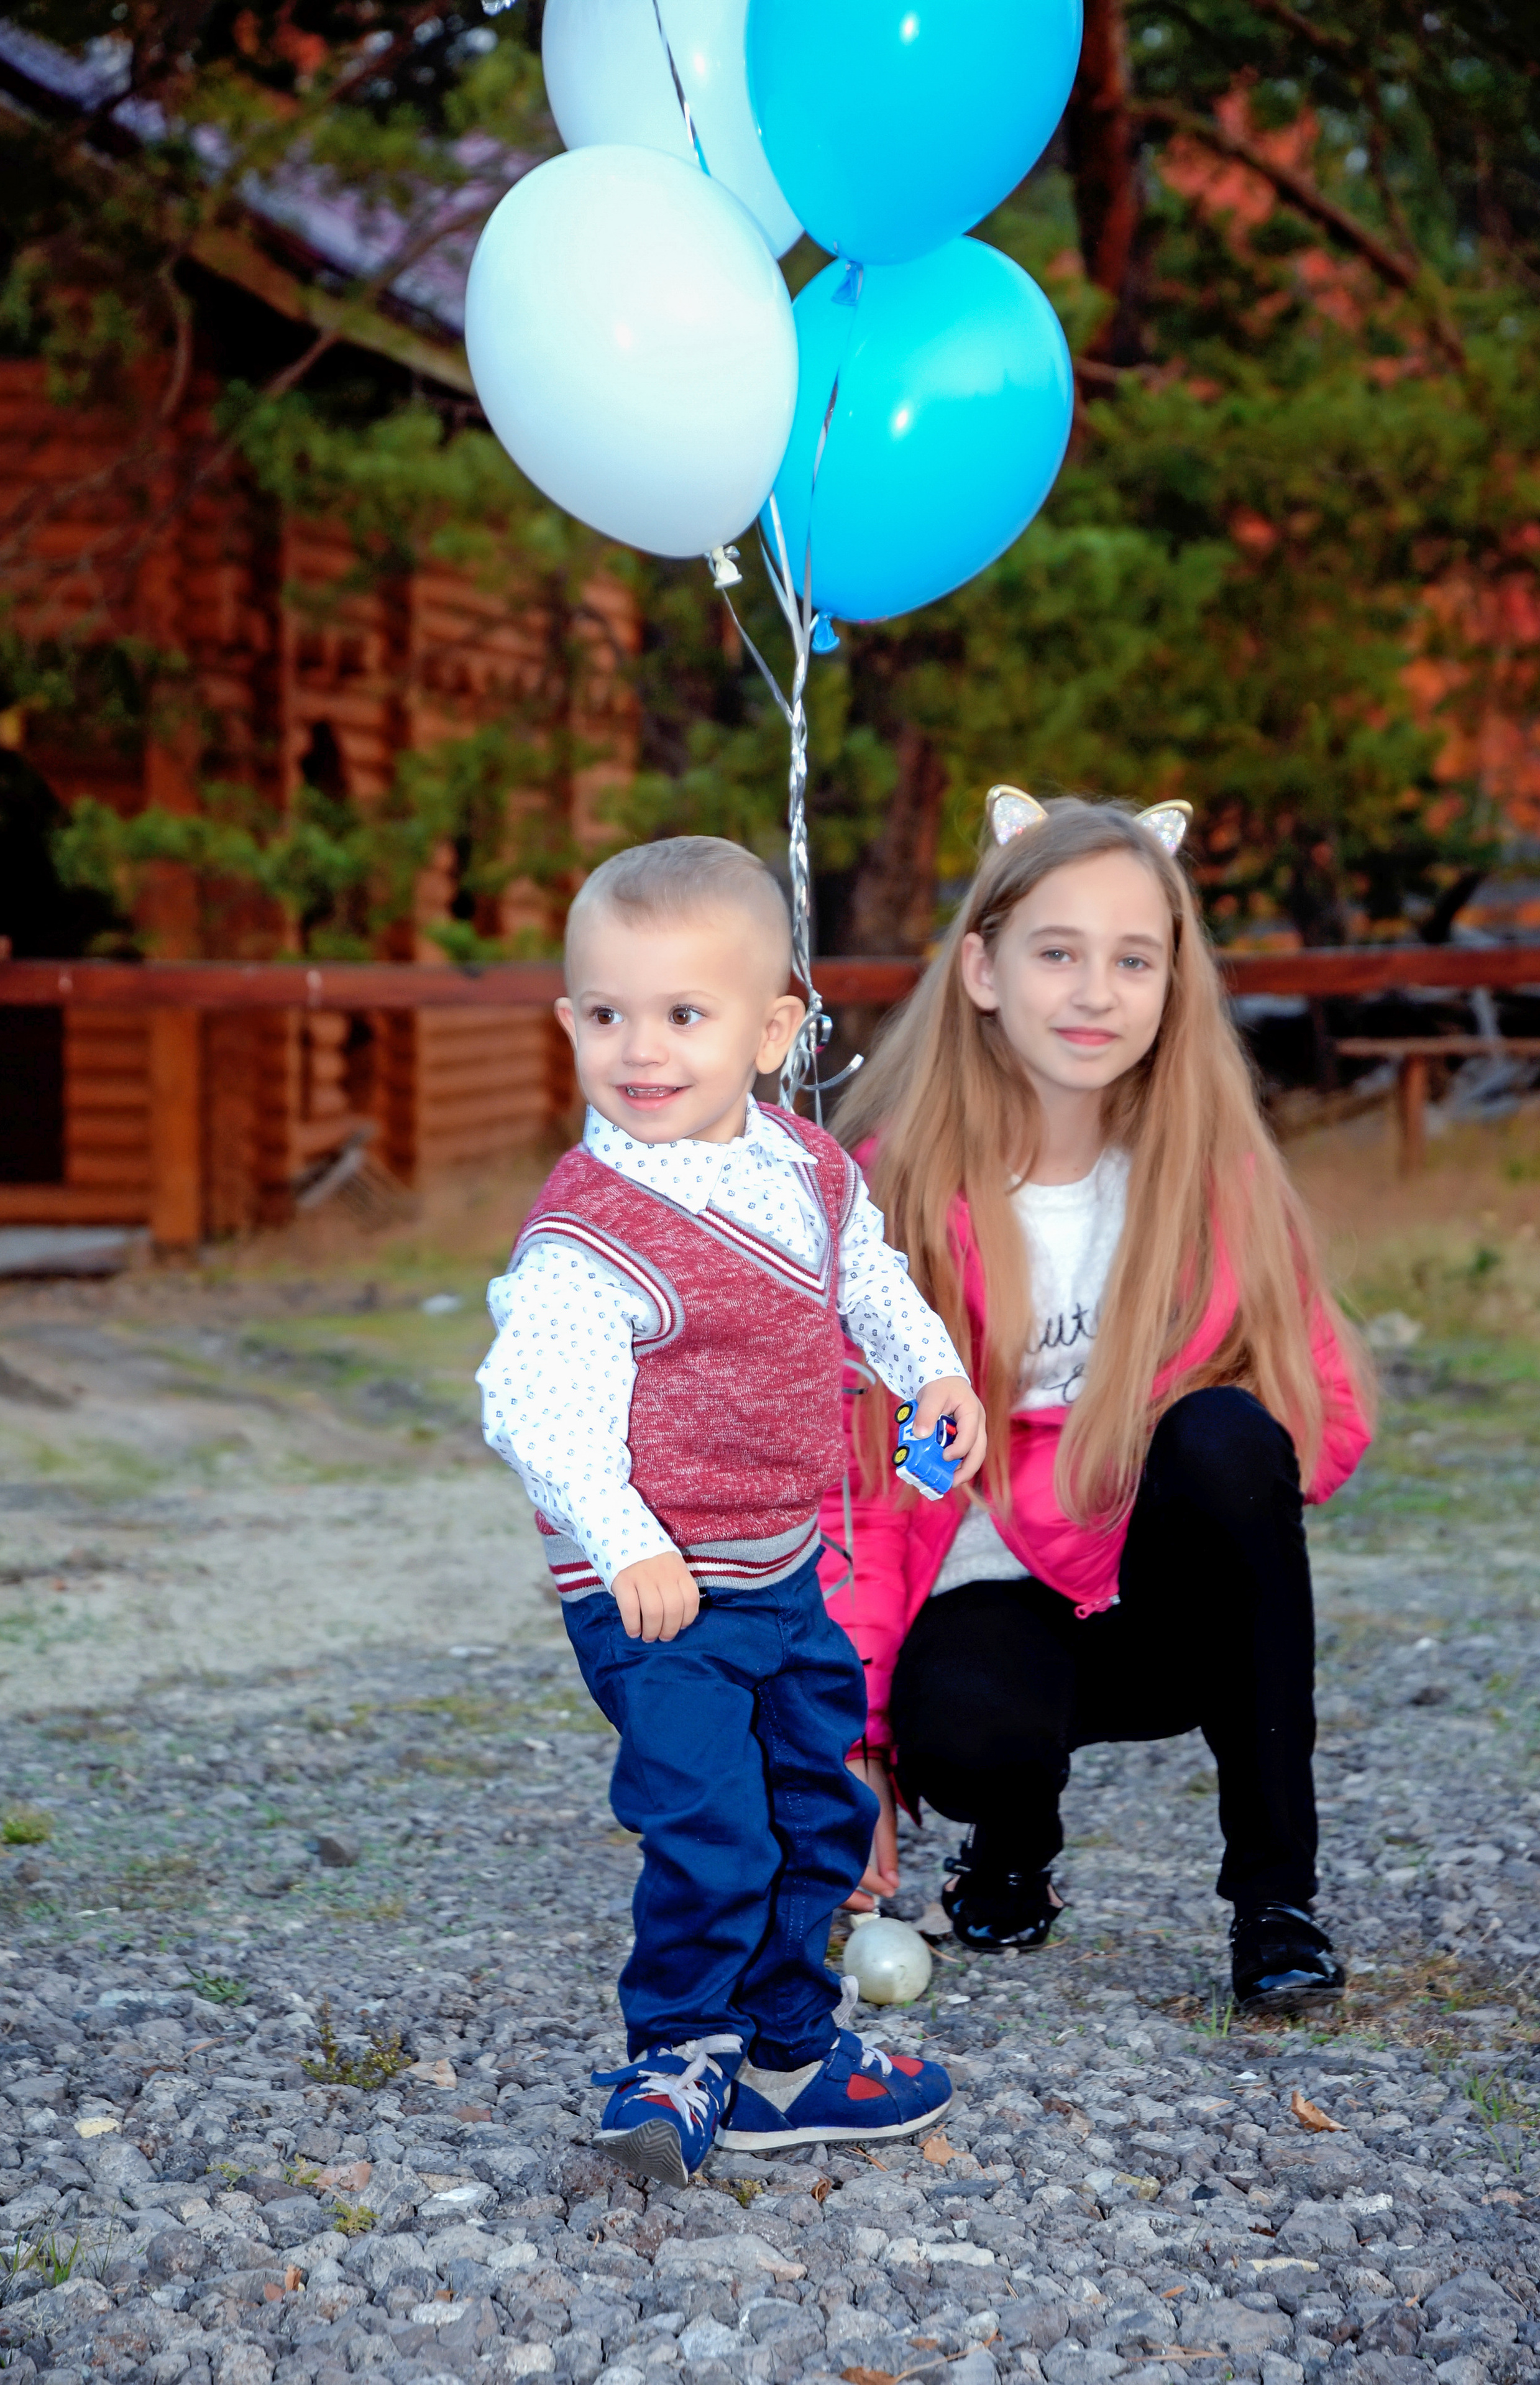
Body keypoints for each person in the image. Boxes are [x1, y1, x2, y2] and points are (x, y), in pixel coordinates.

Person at [477, 835, 986, 2187]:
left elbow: (862, 1278)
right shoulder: (590, 1230)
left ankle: (783, 2047)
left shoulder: (806, 1167)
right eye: (605, 1012)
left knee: (815, 1804)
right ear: (569, 1019)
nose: (638, 1046)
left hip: (776, 1561)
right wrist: (619, 1530)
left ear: (773, 1031)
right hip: (647, 1583)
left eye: (682, 1013)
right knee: (712, 1819)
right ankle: (678, 2048)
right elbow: (531, 1400)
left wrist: (927, 1365)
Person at [824, 791, 1373, 2013]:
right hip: (992, 1569)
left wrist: (1194, 1495)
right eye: (1055, 951)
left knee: (1228, 1434)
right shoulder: (896, 1198)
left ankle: (1274, 1898)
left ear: (1172, 984)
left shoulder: (1208, 1176)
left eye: (1133, 958)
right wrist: (853, 1741)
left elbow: (1321, 1414)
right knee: (963, 1735)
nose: (1092, 990)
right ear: (981, 967)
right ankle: (1010, 1839)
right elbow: (869, 1476)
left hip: (1155, 1584)